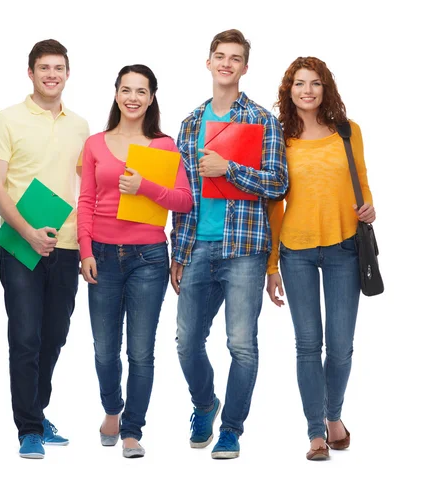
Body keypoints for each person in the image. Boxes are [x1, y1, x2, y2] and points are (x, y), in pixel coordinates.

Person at [170, 29, 288, 460]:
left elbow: (278, 182)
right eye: (220, 56)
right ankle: (205, 403)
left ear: (244, 67)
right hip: (197, 246)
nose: (226, 63)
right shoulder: (188, 124)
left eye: (235, 58)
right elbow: (180, 196)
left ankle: (232, 429)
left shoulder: (262, 120)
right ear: (208, 63)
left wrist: (230, 168)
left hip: (245, 249)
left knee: (242, 343)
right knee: (186, 341)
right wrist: (177, 253)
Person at [78, 64, 193, 459]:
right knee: (104, 348)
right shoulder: (95, 143)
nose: (132, 97)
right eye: (126, 89)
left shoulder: (163, 145)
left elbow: (183, 200)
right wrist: (86, 250)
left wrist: (144, 186)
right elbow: (87, 201)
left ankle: (132, 429)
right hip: (103, 255)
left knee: (141, 351)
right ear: (115, 94)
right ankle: (112, 409)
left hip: (148, 256)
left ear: (151, 97)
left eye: (141, 91)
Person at [266, 56, 375, 461]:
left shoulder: (349, 132)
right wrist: (271, 264)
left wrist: (370, 207)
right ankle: (315, 433)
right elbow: (273, 204)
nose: (307, 90)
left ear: (325, 89)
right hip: (296, 251)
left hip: (345, 247)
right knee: (308, 344)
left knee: (341, 346)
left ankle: (334, 416)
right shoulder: (278, 138)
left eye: (315, 83)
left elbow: (360, 181)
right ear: (288, 90)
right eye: (299, 83)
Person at [0, 39, 89, 459]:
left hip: (65, 246)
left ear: (67, 73)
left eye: (58, 68)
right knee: (25, 336)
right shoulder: (6, 119)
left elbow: (87, 189)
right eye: (43, 67)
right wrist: (28, 232)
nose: (51, 74)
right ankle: (28, 427)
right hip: (19, 244)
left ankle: (38, 411)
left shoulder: (80, 125)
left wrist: (86, 245)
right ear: (30, 73)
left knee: (55, 336)